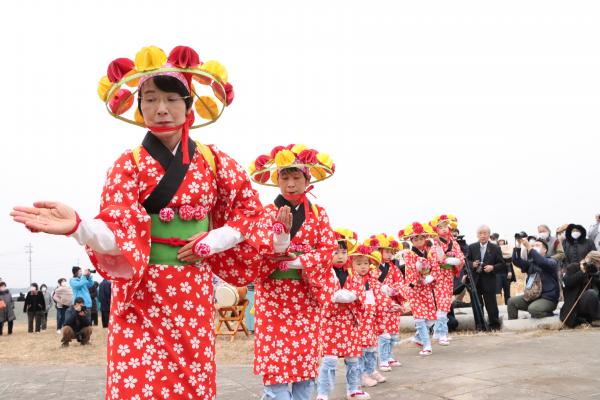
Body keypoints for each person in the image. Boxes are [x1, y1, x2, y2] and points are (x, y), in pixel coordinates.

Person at [11, 45, 276, 400]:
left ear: (189, 105)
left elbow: (249, 212)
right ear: (139, 107)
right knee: (136, 385)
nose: (161, 108)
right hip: (139, 296)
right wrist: (80, 227)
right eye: (150, 99)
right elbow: (117, 230)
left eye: (171, 98)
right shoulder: (128, 164)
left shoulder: (216, 162)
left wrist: (213, 241)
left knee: (192, 384)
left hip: (190, 293)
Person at [249, 143, 337, 400]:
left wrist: (300, 262)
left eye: (296, 177)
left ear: (307, 179)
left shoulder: (319, 214)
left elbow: (328, 248)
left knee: (304, 371)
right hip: (274, 298)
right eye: (284, 177)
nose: (290, 184)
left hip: (305, 296)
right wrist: (278, 245)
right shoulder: (265, 213)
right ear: (277, 181)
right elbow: (256, 249)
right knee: (276, 367)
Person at [316, 229, 370, 400]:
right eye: (336, 252)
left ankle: (353, 389)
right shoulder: (323, 272)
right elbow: (319, 292)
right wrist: (334, 296)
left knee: (353, 358)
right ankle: (323, 392)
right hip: (330, 321)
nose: (340, 256)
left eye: (344, 252)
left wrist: (353, 295)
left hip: (349, 320)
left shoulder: (352, 274)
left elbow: (359, 291)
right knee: (329, 360)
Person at [366, 234, 404, 371]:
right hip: (378, 302)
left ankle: (389, 356)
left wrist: (394, 290)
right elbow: (370, 282)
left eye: (391, 252)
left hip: (391, 301)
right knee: (383, 331)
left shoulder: (393, 268)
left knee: (393, 331)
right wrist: (382, 289)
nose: (389, 255)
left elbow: (400, 282)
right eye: (386, 251)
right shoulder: (371, 267)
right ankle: (382, 359)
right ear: (378, 251)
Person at [401, 222, 439, 356]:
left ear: (425, 239)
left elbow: (435, 266)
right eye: (415, 239)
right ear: (411, 240)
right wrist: (420, 268)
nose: (418, 241)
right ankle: (426, 344)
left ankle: (418, 337)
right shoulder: (408, 254)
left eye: (421, 238)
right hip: (414, 288)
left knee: (431, 318)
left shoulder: (428, 252)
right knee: (419, 318)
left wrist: (432, 276)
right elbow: (411, 268)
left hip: (426, 288)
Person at [429, 214, 465, 346]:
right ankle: (442, 333)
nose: (444, 229)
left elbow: (461, 256)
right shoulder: (434, 245)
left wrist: (456, 261)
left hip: (448, 276)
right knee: (442, 305)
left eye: (445, 227)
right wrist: (445, 260)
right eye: (440, 227)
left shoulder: (453, 242)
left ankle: (439, 333)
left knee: (445, 305)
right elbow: (435, 260)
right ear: (436, 230)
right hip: (439, 277)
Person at [507, 239, 559, 319]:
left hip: (548, 298)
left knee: (533, 309)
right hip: (532, 297)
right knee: (511, 302)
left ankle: (549, 315)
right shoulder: (531, 263)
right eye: (534, 246)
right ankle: (514, 325)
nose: (534, 247)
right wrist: (518, 245)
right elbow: (516, 261)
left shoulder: (551, 261)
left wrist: (529, 247)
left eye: (537, 245)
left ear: (545, 250)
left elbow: (541, 261)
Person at [466, 225, 505, 330]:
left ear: (489, 235)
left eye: (485, 233)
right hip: (475, 280)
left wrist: (492, 267)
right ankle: (480, 326)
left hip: (489, 280)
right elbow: (466, 262)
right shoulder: (471, 247)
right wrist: (472, 264)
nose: (482, 236)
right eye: (480, 233)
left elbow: (502, 264)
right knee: (476, 305)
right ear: (477, 235)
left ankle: (494, 326)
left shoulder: (495, 248)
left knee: (491, 304)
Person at [560, 251, 600, 328]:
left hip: (592, 307)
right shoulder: (573, 267)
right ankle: (596, 319)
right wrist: (583, 272)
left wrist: (596, 276)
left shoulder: (595, 272)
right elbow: (567, 283)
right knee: (591, 293)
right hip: (575, 306)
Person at [496, 239, 516, 305]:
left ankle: (508, 306)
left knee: (507, 290)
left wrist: (509, 271)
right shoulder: (495, 249)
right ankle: (498, 307)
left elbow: (509, 262)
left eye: (502, 241)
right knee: (498, 291)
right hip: (498, 273)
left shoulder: (508, 250)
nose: (501, 242)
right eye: (500, 241)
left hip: (506, 273)